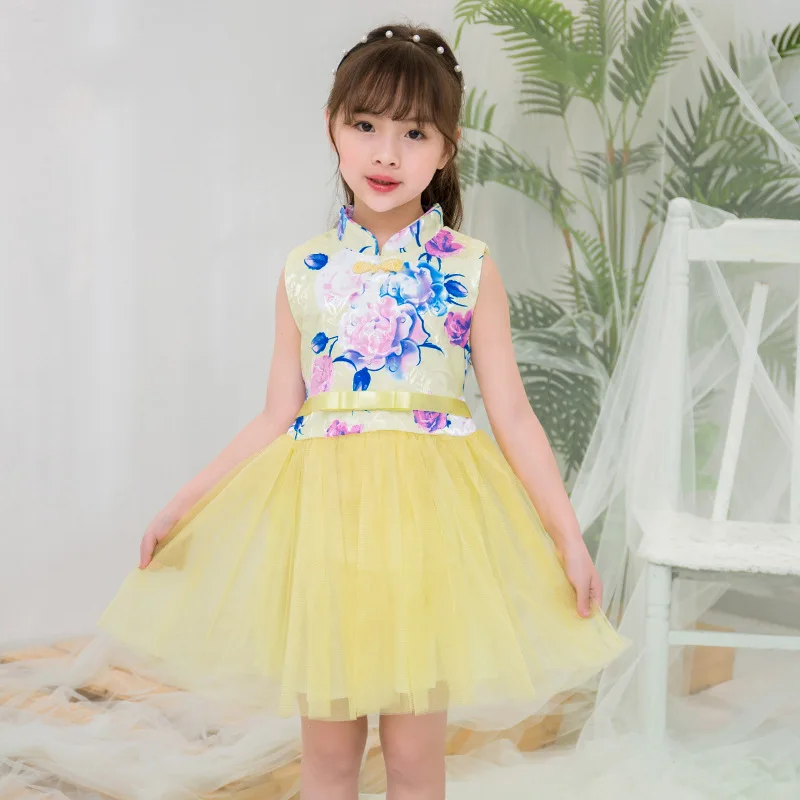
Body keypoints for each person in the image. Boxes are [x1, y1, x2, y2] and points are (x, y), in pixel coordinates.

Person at [96, 22, 628, 800]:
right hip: (327, 533)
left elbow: (513, 416)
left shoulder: (469, 268)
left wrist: (568, 538)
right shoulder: (305, 270)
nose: (387, 153)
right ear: (332, 129)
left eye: (414, 133)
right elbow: (277, 413)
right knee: (329, 760)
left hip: (427, 534)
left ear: (446, 149)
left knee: (413, 758)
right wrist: (186, 504)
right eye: (366, 125)